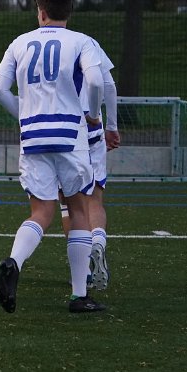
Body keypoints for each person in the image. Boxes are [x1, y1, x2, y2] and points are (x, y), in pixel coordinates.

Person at [0, 0, 106, 313]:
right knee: (79, 211)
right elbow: (96, 82)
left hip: (33, 137)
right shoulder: (81, 41)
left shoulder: (19, 42)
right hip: (71, 136)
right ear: (68, 13)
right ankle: (79, 295)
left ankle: (14, 261)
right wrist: (93, 115)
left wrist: (25, 115)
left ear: (40, 12)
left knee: (41, 212)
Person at [58, 37, 120, 291]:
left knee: (69, 203)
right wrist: (112, 126)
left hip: (62, 130)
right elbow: (108, 85)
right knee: (94, 199)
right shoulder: (89, 43)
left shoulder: (31, 44)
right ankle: (98, 243)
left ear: (42, 16)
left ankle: (82, 271)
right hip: (92, 129)